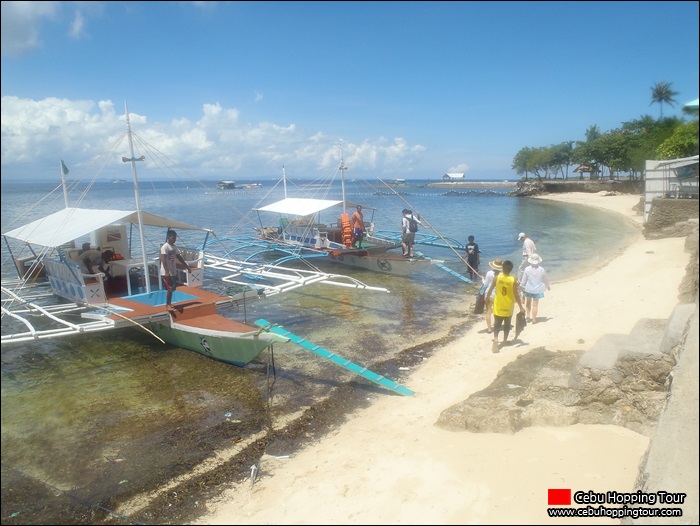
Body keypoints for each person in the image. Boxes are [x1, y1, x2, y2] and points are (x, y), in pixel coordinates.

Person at [485, 259, 524, 353]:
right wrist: (520, 306)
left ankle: (495, 338)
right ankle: (505, 341)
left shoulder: (497, 278)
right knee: (507, 324)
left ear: (502, 268)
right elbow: (516, 294)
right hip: (508, 305)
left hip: (498, 304)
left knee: (497, 323)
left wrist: (487, 298)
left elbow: (490, 289)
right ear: (511, 269)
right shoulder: (513, 279)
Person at [160, 229, 192, 312]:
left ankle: (169, 303)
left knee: (173, 288)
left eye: (175, 237)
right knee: (169, 288)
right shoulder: (165, 247)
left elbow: (179, 257)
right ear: (168, 237)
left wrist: (186, 267)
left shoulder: (174, 247)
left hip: (173, 271)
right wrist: (166, 271)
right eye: (173, 237)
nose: (174, 239)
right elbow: (163, 260)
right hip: (166, 272)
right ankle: (167, 305)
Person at [520, 253, 551, 324]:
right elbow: (545, 279)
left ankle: (528, 317)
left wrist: (522, 287)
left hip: (529, 289)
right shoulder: (541, 269)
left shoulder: (527, 269)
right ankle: (534, 319)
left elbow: (524, 280)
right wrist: (548, 286)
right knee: (535, 305)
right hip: (538, 289)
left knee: (528, 303)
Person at [480, 258, 502, 334]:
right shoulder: (501, 274)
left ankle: (489, 328)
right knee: (496, 312)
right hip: (497, 295)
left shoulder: (489, 273)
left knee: (488, 312)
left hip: (489, 294)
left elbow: (485, 284)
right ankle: (496, 327)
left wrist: (482, 279)